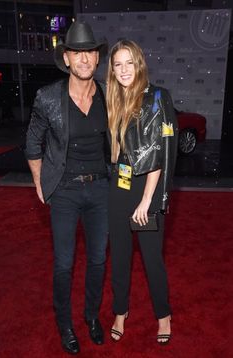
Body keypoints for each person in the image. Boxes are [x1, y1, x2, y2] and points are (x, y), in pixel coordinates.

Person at [25, 21, 110, 355]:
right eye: (78, 52)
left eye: (90, 51)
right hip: (64, 190)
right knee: (64, 263)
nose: (85, 59)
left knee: (98, 260)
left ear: (96, 57)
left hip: (101, 189)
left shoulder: (106, 94)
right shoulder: (48, 97)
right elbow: (32, 143)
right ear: (68, 58)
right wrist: (39, 184)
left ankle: (91, 316)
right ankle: (65, 323)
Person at [106, 40, 178, 345]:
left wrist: (147, 199)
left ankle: (163, 316)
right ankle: (120, 312)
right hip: (120, 185)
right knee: (120, 256)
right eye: (117, 64)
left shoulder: (158, 98)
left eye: (128, 63)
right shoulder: (114, 99)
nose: (123, 70)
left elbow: (160, 152)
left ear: (139, 64)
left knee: (151, 258)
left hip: (147, 186)